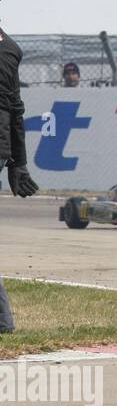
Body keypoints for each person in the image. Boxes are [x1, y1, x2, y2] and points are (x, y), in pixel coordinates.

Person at [0, 21, 38, 334]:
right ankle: (3, 322)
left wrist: (18, 162)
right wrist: (18, 161)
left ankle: (3, 321)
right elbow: (16, 108)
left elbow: (13, 107)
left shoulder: (9, 50)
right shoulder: (11, 48)